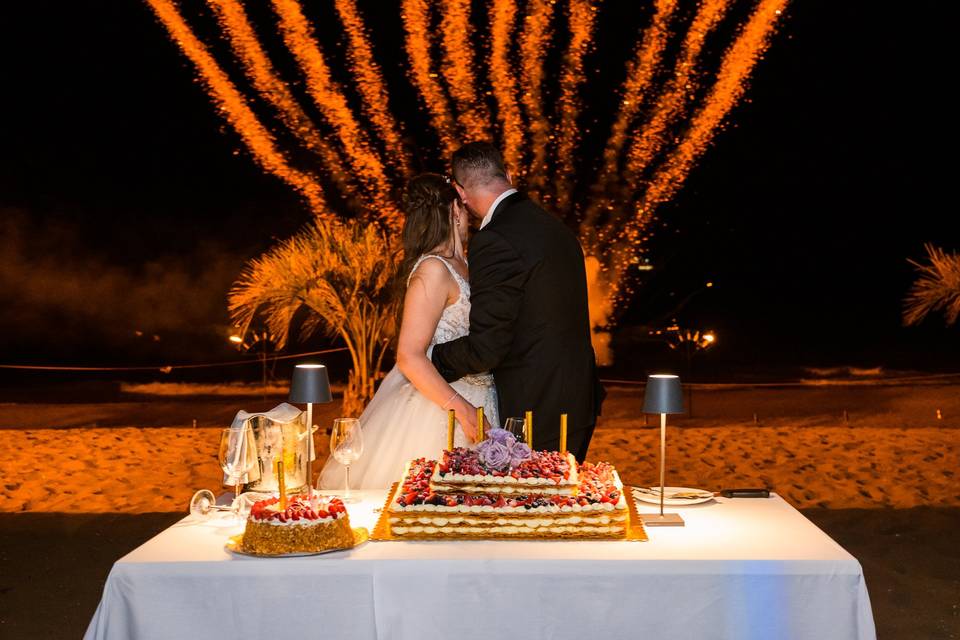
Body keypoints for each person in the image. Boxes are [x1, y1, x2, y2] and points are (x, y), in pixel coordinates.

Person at [319, 173, 498, 490]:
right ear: (455, 209)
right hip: (442, 409)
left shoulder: (467, 266)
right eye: (464, 207)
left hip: (485, 397)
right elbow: (409, 356)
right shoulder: (433, 268)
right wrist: (463, 410)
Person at [431, 141, 603, 462]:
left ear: (460, 192)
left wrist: (433, 357)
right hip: (577, 401)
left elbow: (487, 348)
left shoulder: (495, 239)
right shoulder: (556, 228)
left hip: (537, 410)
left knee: (530, 507)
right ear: (509, 174)